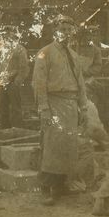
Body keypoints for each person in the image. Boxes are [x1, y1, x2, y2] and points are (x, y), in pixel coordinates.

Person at [32, 15, 88, 205]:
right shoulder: (44, 53)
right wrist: (44, 109)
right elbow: (39, 84)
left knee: (68, 146)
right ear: (55, 31)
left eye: (68, 30)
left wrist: (84, 107)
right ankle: (48, 188)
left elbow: (80, 83)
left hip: (71, 104)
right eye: (62, 29)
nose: (65, 33)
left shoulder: (74, 55)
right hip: (54, 103)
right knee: (52, 145)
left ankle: (63, 184)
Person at [0, 26, 29, 129]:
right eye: (4, 34)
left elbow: (24, 68)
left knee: (16, 109)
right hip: (2, 83)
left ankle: (18, 131)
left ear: (13, 35)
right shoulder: (0, 50)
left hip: (13, 83)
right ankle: (5, 131)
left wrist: (16, 82)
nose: (6, 36)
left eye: (8, 33)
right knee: (2, 109)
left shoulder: (19, 49)